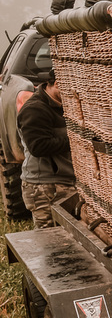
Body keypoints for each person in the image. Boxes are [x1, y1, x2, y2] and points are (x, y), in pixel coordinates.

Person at [17, 70, 76, 228]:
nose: (71, 95)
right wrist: (75, 142)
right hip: (44, 186)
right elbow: (38, 146)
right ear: (57, 84)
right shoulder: (35, 109)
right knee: (50, 239)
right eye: (68, 90)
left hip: (62, 182)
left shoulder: (59, 105)